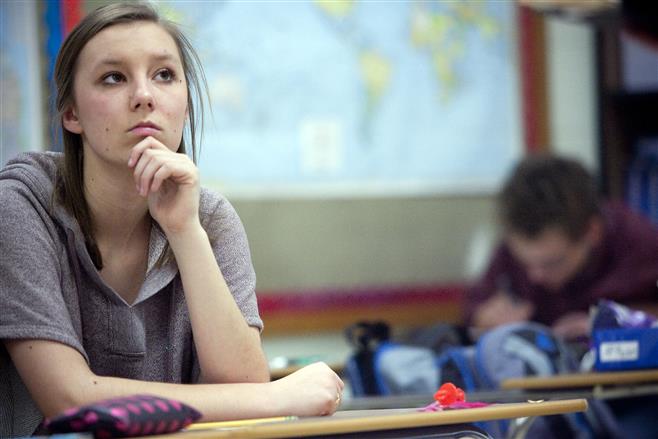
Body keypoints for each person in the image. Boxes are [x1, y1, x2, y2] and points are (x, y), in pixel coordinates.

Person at [0, 3, 343, 436]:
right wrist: (278, 396)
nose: (144, 95)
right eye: (113, 77)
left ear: (184, 102)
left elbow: (241, 385)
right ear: (71, 114)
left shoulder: (209, 217)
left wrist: (184, 230)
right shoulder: (21, 204)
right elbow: (68, 399)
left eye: (164, 75)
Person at [465, 154, 658, 340]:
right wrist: (485, 320)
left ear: (592, 232)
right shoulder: (510, 251)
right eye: (524, 263)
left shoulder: (641, 244)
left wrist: (621, 323)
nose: (535, 276)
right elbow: (475, 309)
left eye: (551, 263)